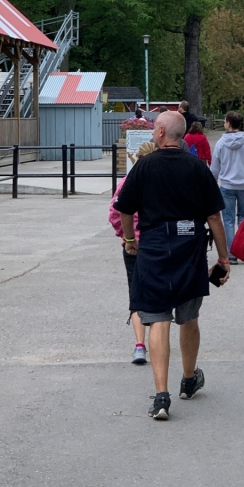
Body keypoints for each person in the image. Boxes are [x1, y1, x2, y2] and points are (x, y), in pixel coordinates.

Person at [114, 110, 230, 421]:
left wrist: (130, 240)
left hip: (153, 247)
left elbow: (124, 207)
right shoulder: (197, 167)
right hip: (189, 248)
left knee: (158, 319)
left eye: (155, 128)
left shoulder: (144, 166)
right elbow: (214, 216)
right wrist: (223, 257)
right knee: (188, 317)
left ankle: (161, 395)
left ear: (163, 132)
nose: (153, 132)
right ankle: (189, 380)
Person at [108, 140, 157, 365]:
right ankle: (158, 338)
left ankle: (139, 345)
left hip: (133, 245)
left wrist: (127, 237)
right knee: (157, 295)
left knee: (136, 293)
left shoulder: (127, 182)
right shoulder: (162, 182)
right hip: (157, 243)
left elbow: (114, 213)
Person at [210, 111, 244, 261]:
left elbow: (215, 167)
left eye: (225, 121)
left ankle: (231, 254)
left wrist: (212, 184)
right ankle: (242, 250)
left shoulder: (220, 143)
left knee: (228, 221)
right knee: (243, 218)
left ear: (229, 124)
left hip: (227, 186)